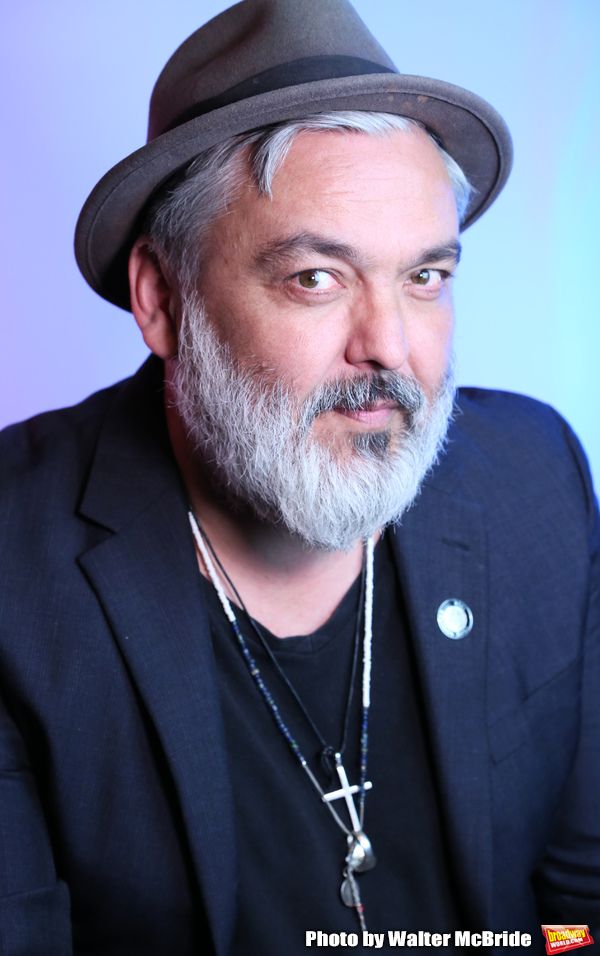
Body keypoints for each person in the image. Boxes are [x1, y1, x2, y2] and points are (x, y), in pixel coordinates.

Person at [0, 1, 598, 954]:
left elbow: (579, 909)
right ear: (162, 299)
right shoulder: (14, 567)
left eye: (425, 277)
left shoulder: (535, 482)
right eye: (315, 278)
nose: (391, 350)